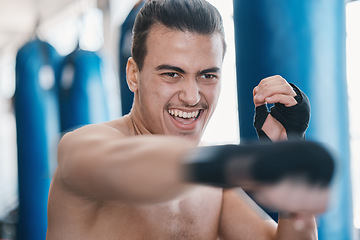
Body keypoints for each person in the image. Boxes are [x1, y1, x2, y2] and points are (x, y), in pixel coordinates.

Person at [47, 0, 334, 239]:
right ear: (133, 74)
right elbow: (126, 168)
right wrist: (248, 163)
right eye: (172, 74)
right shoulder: (82, 146)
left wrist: (291, 158)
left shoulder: (215, 186)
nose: (192, 96)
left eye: (207, 75)